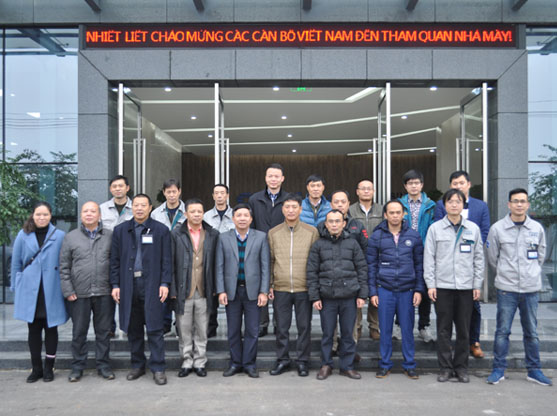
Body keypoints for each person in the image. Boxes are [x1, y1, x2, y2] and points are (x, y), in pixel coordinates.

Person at [486, 188, 552, 386]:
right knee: (502, 331)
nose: (519, 204)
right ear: (509, 204)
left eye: (523, 201)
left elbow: (541, 256)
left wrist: (530, 273)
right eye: (515, 201)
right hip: (507, 288)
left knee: (531, 332)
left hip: (530, 289)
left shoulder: (536, 228)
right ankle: (498, 369)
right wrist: (505, 272)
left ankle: (534, 370)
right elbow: (492, 257)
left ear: (528, 204)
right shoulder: (498, 229)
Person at [110, 194, 172, 386]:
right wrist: (115, 285)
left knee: (155, 328)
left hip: (152, 285)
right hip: (129, 286)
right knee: (134, 329)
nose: (139, 208)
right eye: (136, 205)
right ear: (132, 208)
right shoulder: (120, 230)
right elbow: (114, 261)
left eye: (143, 205)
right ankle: (137, 365)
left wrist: (165, 283)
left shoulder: (161, 230)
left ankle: (158, 368)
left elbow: (167, 260)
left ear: (150, 208)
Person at [424, 189, 484, 383]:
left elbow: (479, 258)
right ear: (445, 205)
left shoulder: (472, 229)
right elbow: (429, 259)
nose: (454, 205)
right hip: (442, 286)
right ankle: (445, 368)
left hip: (466, 287)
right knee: (443, 330)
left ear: (463, 204)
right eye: (450, 201)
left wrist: (477, 284)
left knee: (464, 330)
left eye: (458, 201)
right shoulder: (435, 229)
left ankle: (461, 368)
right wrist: (431, 284)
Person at [307, 210, 368, 381]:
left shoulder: (352, 244)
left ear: (343, 223)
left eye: (337, 221)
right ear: (326, 224)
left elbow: (362, 269)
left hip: (349, 296)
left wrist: (362, 294)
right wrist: (315, 297)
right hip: (327, 297)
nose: (334, 224)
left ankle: (347, 366)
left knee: (348, 333)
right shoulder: (318, 245)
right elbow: (311, 272)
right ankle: (326, 364)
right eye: (331, 221)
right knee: (327, 333)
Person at [434, 170, 490, 358]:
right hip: (447, 266)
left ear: (469, 184)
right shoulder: (441, 205)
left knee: (473, 309)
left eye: (461, 183)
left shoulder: (480, 206)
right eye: (454, 183)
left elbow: (484, 231)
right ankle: (449, 347)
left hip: (468, 264)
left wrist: (471, 246)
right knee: (446, 316)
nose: (458, 186)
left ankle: (474, 341)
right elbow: (438, 229)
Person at [10, 201, 68, 383]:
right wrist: (16, 286)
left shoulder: (59, 236)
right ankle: (36, 368)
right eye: (38, 214)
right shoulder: (23, 234)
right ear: (33, 215)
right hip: (30, 289)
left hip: (52, 288)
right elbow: (16, 263)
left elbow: (65, 261)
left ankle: (49, 368)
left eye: (45, 214)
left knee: (51, 329)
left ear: (50, 216)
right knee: (33, 330)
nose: (41, 218)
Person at [367, 200, 424, 379]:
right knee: (385, 330)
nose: (395, 216)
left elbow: (419, 265)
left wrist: (418, 289)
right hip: (385, 289)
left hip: (407, 290)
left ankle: (409, 364)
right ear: (385, 215)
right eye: (391, 212)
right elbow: (371, 266)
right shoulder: (377, 236)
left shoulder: (413, 236)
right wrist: (373, 291)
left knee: (407, 329)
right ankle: (385, 364)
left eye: (398, 212)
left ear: (403, 214)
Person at [59, 201, 115, 382]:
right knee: (79, 332)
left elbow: (116, 264)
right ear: (81, 215)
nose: (89, 214)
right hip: (79, 293)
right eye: (85, 211)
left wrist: (115, 287)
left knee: (103, 332)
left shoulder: (110, 236)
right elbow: (64, 267)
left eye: (93, 211)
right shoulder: (71, 237)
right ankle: (77, 367)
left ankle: (103, 365)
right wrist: (68, 289)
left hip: (104, 292)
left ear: (99, 215)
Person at [215, 204, 270, 378]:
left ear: (251, 219)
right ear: (233, 218)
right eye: (239, 215)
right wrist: (221, 290)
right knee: (233, 330)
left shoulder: (260, 237)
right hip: (232, 291)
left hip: (253, 291)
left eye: (246, 215)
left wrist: (264, 291)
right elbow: (219, 266)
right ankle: (235, 363)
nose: (242, 218)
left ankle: (249, 364)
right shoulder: (223, 238)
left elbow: (265, 266)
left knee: (252, 330)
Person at [267, 194, 319, 377]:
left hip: (303, 287)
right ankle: (282, 360)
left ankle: (303, 361)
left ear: (300, 209)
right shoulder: (273, 233)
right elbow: (270, 261)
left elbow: (315, 262)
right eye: (287, 207)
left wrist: (314, 287)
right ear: (282, 209)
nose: (290, 210)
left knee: (304, 327)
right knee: (282, 327)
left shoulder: (311, 232)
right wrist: (270, 284)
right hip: (281, 287)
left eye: (294, 207)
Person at [170, 198, 219, 378]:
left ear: (203, 213)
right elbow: (170, 263)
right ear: (186, 214)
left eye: (199, 211)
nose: (197, 215)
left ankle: (199, 362)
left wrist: (216, 287)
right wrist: (173, 289)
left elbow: (217, 263)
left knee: (201, 328)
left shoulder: (212, 234)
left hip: (205, 288)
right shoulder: (176, 234)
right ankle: (186, 361)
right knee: (184, 329)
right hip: (183, 288)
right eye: (193, 212)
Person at [248, 163, 289, 337]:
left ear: (282, 179)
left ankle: (279, 324)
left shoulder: (289, 199)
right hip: (259, 247)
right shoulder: (254, 199)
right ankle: (262, 323)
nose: (273, 179)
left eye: (276, 176)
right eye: (270, 176)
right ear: (265, 178)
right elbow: (251, 224)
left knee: (279, 286)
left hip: (282, 248)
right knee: (261, 284)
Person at [325, 190, 367, 359]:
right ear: (331, 204)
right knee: (331, 322)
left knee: (352, 321)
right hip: (330, 281)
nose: (340, 205)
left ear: (349, 204)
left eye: (343, 202)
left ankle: (351, 348)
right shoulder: (323, 226)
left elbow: (365, 252)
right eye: (336, 202)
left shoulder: (357, 225)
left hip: (351, 281)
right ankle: (333, 346)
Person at [398, 169, 436, 343]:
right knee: (403, 289)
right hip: (403, 252)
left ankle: (423, 326)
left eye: (417, 183)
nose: (414, 186)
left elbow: (433, 228)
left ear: (422, 185)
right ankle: (399, 325)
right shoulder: (399, 205)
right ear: (405, 186)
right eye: (410, 183)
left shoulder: (431, 205)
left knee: (424, 290)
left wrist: (426, 246)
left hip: (425, 251)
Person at [151, 178, 186, 335]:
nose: (172, 195)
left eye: (174, 191)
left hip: (182, 256)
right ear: (164, 193)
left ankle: (179, 323)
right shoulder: (155, 213)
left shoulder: (187, 212)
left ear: (179, 192)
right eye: (168, 192)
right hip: (161, 255)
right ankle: (164, 323)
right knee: (163, 289)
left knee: (180, 290)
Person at [349, 179, 383, 340]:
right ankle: (357, 326)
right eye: (363, 188)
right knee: (357, 292)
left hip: (377, 256)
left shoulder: (381, 210)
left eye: (369, 188)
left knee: (375, 291)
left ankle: (374, 326)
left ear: (374, 191)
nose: (366, 191)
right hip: (356, 256)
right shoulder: (350, 210)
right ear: (357, 191)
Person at [100, 174, 133, 336]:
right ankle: (110, 327)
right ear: (110, 189)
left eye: (121, 186)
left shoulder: (136, 207)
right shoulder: (102, 209)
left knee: (129, 290)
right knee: (109, 291)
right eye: (114, 186)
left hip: (129, 256)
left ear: (127, 188)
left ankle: (129, 325)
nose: (118, 189)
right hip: (107, 255)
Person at [203, 183, 235, 337]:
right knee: (211, 294)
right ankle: (211, 326)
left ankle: (233, 328)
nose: (220, 196)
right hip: (211, 260)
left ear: (227, 195)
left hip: (232, 260)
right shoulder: (206, 216)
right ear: (213, 196)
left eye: (223, 193)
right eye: (217, 193)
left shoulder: (236, 215)